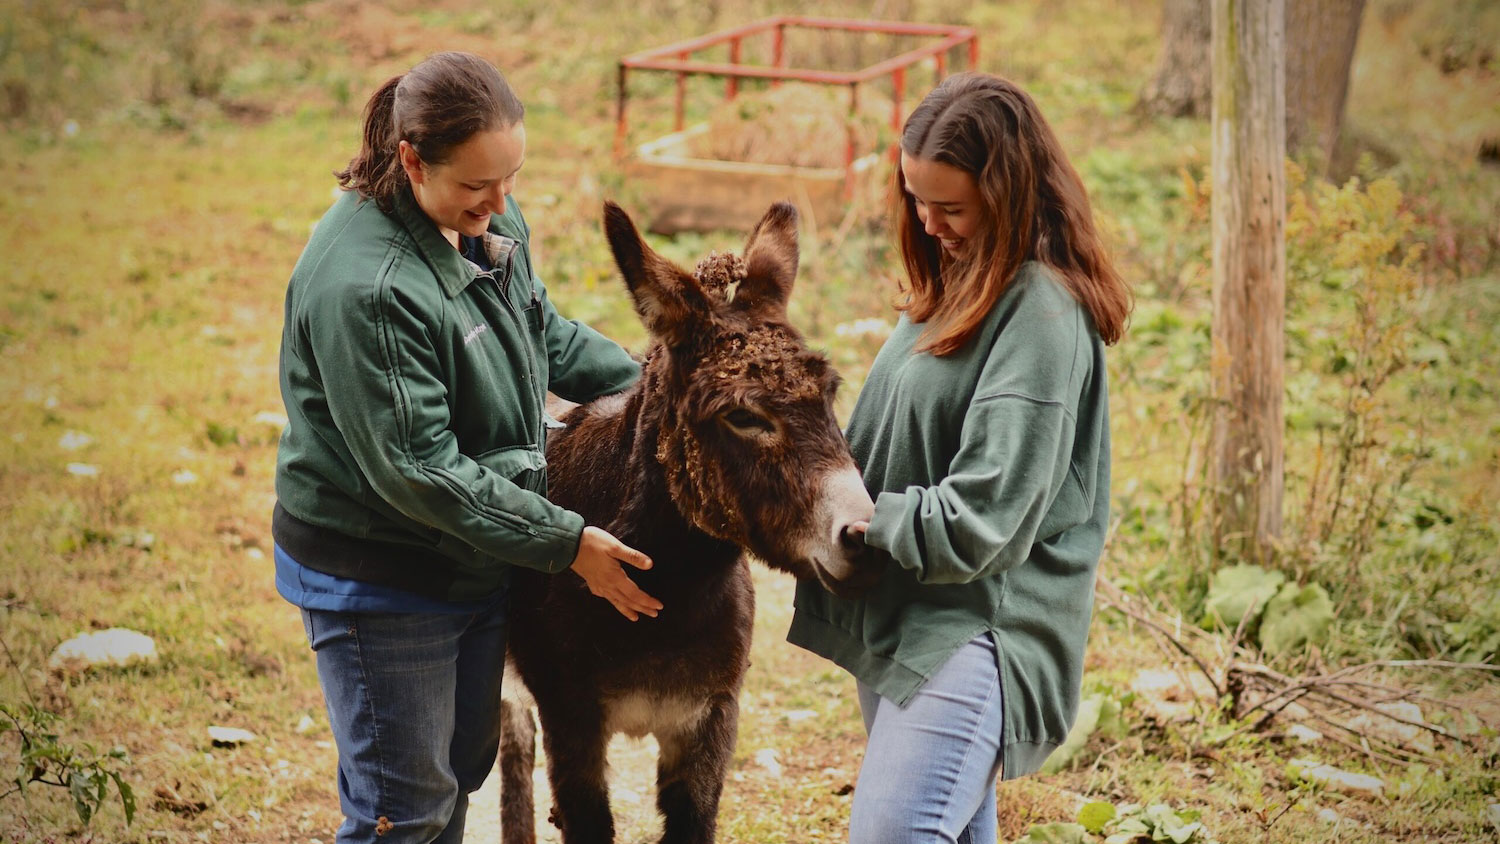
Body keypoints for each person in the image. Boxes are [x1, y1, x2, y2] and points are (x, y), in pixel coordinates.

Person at [272, 52, 663, 844]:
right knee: (402, 808)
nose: (500, 203)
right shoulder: (372, 289)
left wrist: (664, 389)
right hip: (385, 574)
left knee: (459, 770)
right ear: (411, 159)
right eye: (477, 186)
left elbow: (541, 332)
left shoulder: (481, 219)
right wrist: (564, 541)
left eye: (510, 178)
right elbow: (421, 473)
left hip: (475, 555)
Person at [788, 72, 1132, 843]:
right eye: (916, 199)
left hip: (978, 634)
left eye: (953, 207)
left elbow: (988, 516)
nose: (931, 222)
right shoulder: (961, 281)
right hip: (913, 617)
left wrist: (868, 519)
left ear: (1008, 195)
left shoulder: (1040, 312)